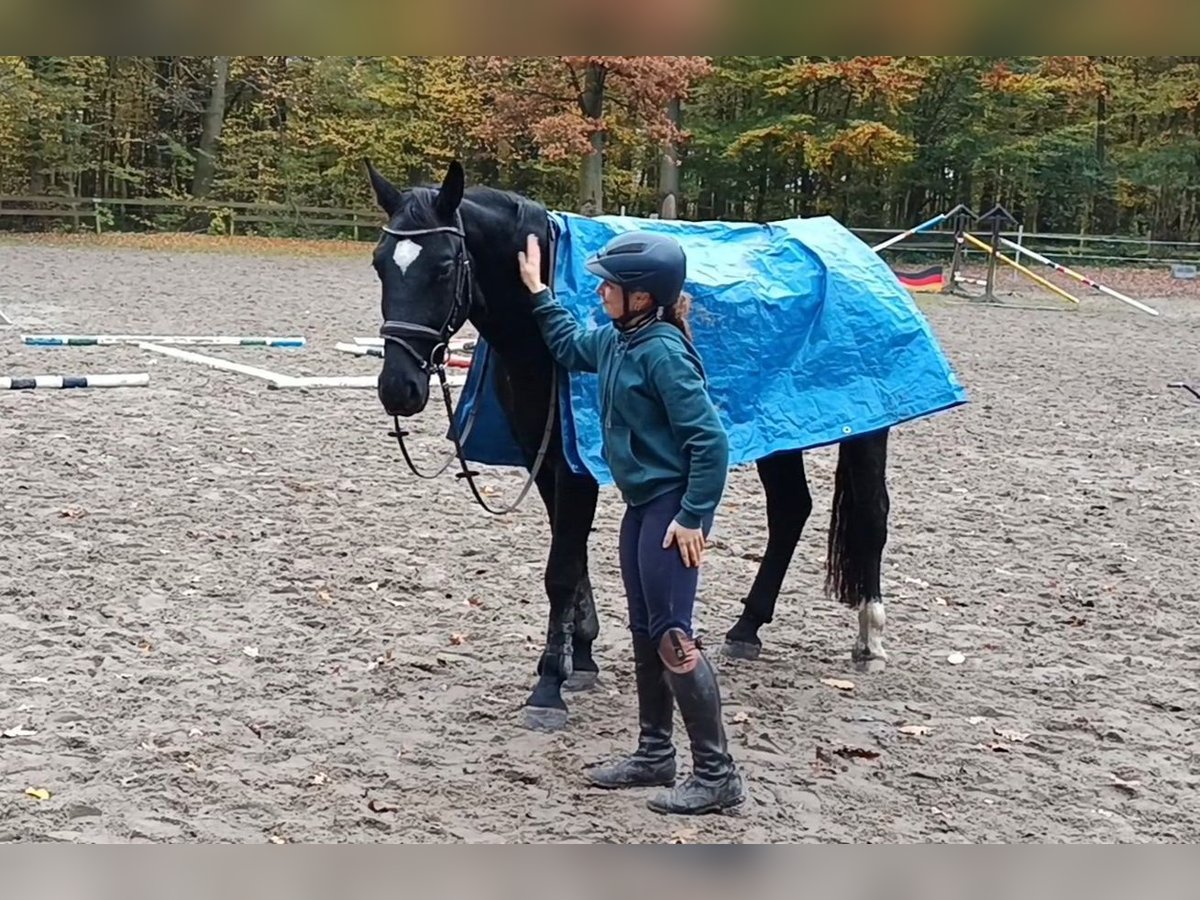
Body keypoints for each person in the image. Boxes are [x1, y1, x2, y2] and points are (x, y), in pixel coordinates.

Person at [516, 229, 746, 816]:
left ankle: (717, 775)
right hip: (642, 505)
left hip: (671, 509)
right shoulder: (620, 340)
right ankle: (654, 753)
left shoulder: (663, 353)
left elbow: (711, 443)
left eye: (609, 284)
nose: (599, 290)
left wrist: (695, 517)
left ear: (641, 296)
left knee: (674, 635)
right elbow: (570, 346)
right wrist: (539, 291)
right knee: (645, 631)